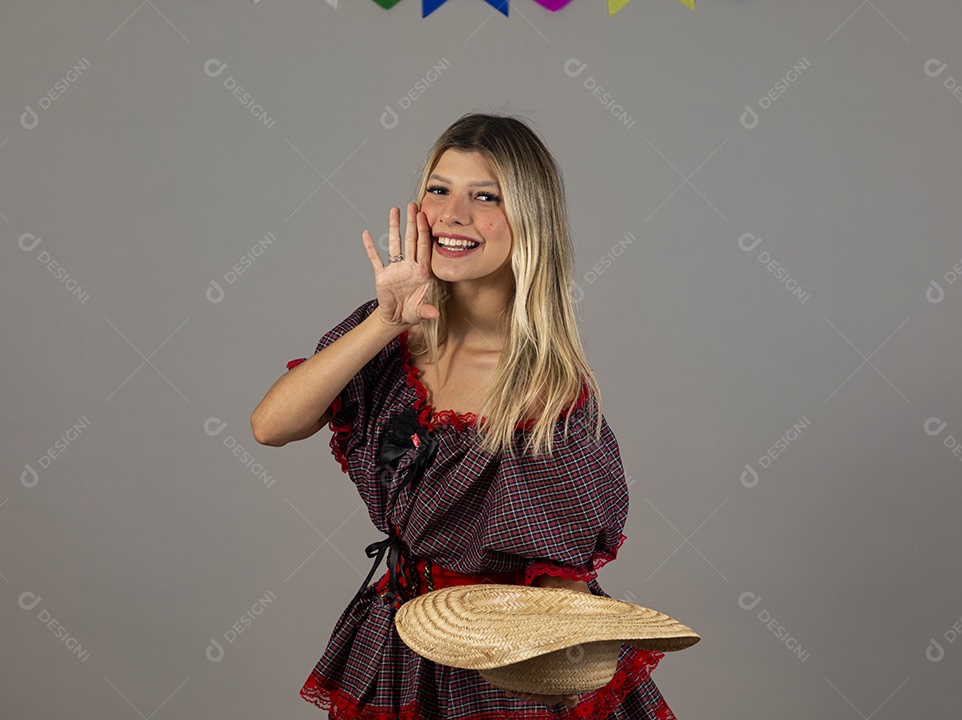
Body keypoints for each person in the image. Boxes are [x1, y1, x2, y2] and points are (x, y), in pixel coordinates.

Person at [251, 112, 678, 719]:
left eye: (486, 197)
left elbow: (564, 590)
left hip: (509, 658)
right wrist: (385, 321)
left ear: (530, 219)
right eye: (439, 189)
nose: (453, 214)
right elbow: (272, 426)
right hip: (403, 636)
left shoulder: (545, 393)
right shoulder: (392, 336)